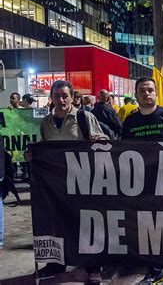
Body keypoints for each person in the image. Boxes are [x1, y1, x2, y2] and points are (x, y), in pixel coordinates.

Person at [26, 80, 108, 282]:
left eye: (65, 95)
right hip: (57, 185)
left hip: (84, 182)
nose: (61, 100)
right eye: (57, 96)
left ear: (72, 97)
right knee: (57, 222)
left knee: (87, 223)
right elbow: (44, 150)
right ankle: (56, 262)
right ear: (51, 98)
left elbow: (104, 140)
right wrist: (32, 156)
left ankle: (93, 266)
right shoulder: (46, 122)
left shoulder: (84, 117)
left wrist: (100, 141)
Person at [121, 77, 163, 284]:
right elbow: (122, 151)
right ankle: (156, 269)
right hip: (143, 184)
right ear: (136, 95)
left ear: (156, 93)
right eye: (142, 91)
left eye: (150, 90)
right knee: (149, 228)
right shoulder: (130, 121)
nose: (147, 94)